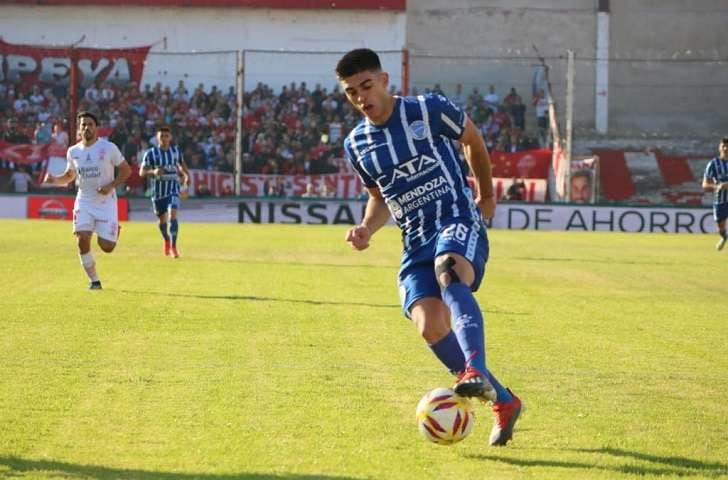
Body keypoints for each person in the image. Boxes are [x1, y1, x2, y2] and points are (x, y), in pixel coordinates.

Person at [337, 49, 522, 447]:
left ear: (384, 80)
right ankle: (504, 400)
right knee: (428, 324)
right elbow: (379, 197)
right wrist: (366, 229)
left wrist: (487, 195)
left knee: (450, 270)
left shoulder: (428, 109)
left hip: (456, 218)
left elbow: (473, 140)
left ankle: (473, 369)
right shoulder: (357, 145)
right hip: (414, 239)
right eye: (351, 93)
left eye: (366, 86)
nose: (361, 97)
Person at [43, 111, 131, 289]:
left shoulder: (108, 148)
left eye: (90, 124)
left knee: (107, 247)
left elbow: (126, 170)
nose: (86, 127)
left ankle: (113, 230)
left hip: (106, 202)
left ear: (96, 128)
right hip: (84, 200)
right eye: (83, 125)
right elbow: (70, 175)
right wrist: (54, 180)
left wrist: (111, 186)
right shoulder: (73, 151)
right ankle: (94, 281)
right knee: (82, 239)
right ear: (79, 129)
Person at [139, 125, 190, 258]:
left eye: (167, 136)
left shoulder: (175, 151)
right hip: (158, 193)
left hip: (173, 188)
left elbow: (182, 164)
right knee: (162, 221)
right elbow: (141, 172)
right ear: (157, 138)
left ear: (170, 137)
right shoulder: (151, 153)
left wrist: (186, 175)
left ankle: (174, 247)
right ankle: (167, 240)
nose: (164, 138)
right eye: (162, 136)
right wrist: (153, 171)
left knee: (173, 214)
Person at [702, 137, 728, 251]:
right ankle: (724, 237)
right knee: (720, 227)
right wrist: (717, 186)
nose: (726, 148)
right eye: (724, 146)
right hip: (720, 201)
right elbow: (705, 184)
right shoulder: (713, 164)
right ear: (720, 147)